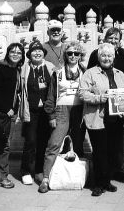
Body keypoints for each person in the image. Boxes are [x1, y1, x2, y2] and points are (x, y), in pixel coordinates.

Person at [79, 43, 124, 197]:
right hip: (97, 118)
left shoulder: (120, 73)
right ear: (98, 57)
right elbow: (82, 94)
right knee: (99, 152)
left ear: (113, 58)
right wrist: (100, 98)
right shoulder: (90, 73)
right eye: (103, 56)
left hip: (116, 119)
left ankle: (107, 181)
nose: (106, 58)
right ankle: (98, 183)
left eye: (109, 56)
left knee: (112, 152)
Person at [38, 41, 86, 193]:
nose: (73, 56)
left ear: (80, 56)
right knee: (54, 143)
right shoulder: (58, 73)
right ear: (65, 55)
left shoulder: (85, 71)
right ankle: (46, 178)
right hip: (62, 109)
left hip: (79, 109)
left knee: (78, 143)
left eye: (76, 53)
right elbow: (50, 96)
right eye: (70, 53)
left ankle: (78, 176)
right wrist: (51, 115)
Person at [86, 27, 124, 179]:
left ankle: (115, 171)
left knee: (116, 143)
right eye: (110, 38)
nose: (113, 41)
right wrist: (99, 96)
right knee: (101, 146)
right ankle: (101, 177)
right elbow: (88, 82)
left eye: (116, 39)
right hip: (100, 110)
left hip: (117, 109)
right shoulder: (95, 56)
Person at [0, 42, 25, 189]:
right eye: (12, 52)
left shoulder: (17, 69)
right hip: (2, 112)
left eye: (18, 52)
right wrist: (7, 109)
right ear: (7, 53)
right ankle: (2, 177)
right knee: (4, 145)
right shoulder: (1, 68)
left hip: (10, 112)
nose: (15, 54)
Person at [19, 41, 55, 185]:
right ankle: (25, 170)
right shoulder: (24, 69)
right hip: (31, 110)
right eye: (34, 51)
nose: (37, 53)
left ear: (43, 53)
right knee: (30, 141)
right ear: (29, 54)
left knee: (43, 142)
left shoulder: (51, 67)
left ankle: (39, 170)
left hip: (46, 111)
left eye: (40, 50)